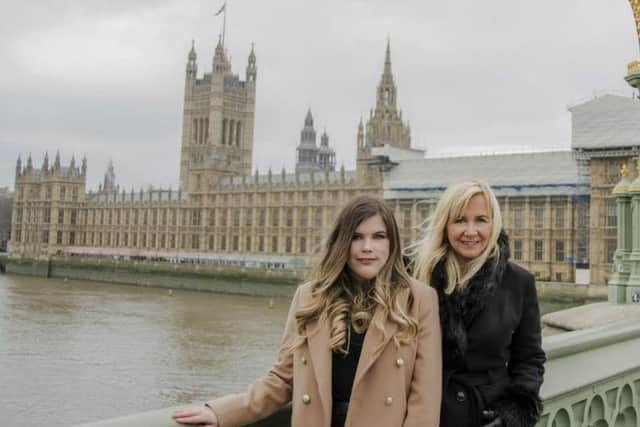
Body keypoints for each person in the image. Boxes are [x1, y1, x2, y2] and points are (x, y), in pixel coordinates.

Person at [172, 195, 442, 427]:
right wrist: (222, 411)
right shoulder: (310, 297)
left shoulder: (419, 300)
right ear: (342, 243)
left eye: (378, 237)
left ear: (392, 243)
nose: (367, 247)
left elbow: (424, 401)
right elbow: (283, 378)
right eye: (356, 237)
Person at [411, 180, 545, 427]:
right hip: (429, 414)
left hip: (488, 414)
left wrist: (513, 413)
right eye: (460, 220)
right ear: (445, 225)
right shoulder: (417, 275)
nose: (470, 231)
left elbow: (529, 359)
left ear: (493, 224)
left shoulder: (518, 282)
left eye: (481, 220)